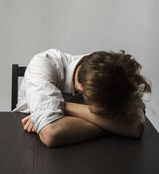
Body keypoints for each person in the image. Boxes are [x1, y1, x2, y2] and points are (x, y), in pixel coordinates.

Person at [12, 48, 152, 147]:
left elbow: (136, 125)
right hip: (28, 143)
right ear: (81, 91)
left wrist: (64, 106)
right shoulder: (43, 63)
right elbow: (51, 134)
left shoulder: (108, 70)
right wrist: (115, 127)